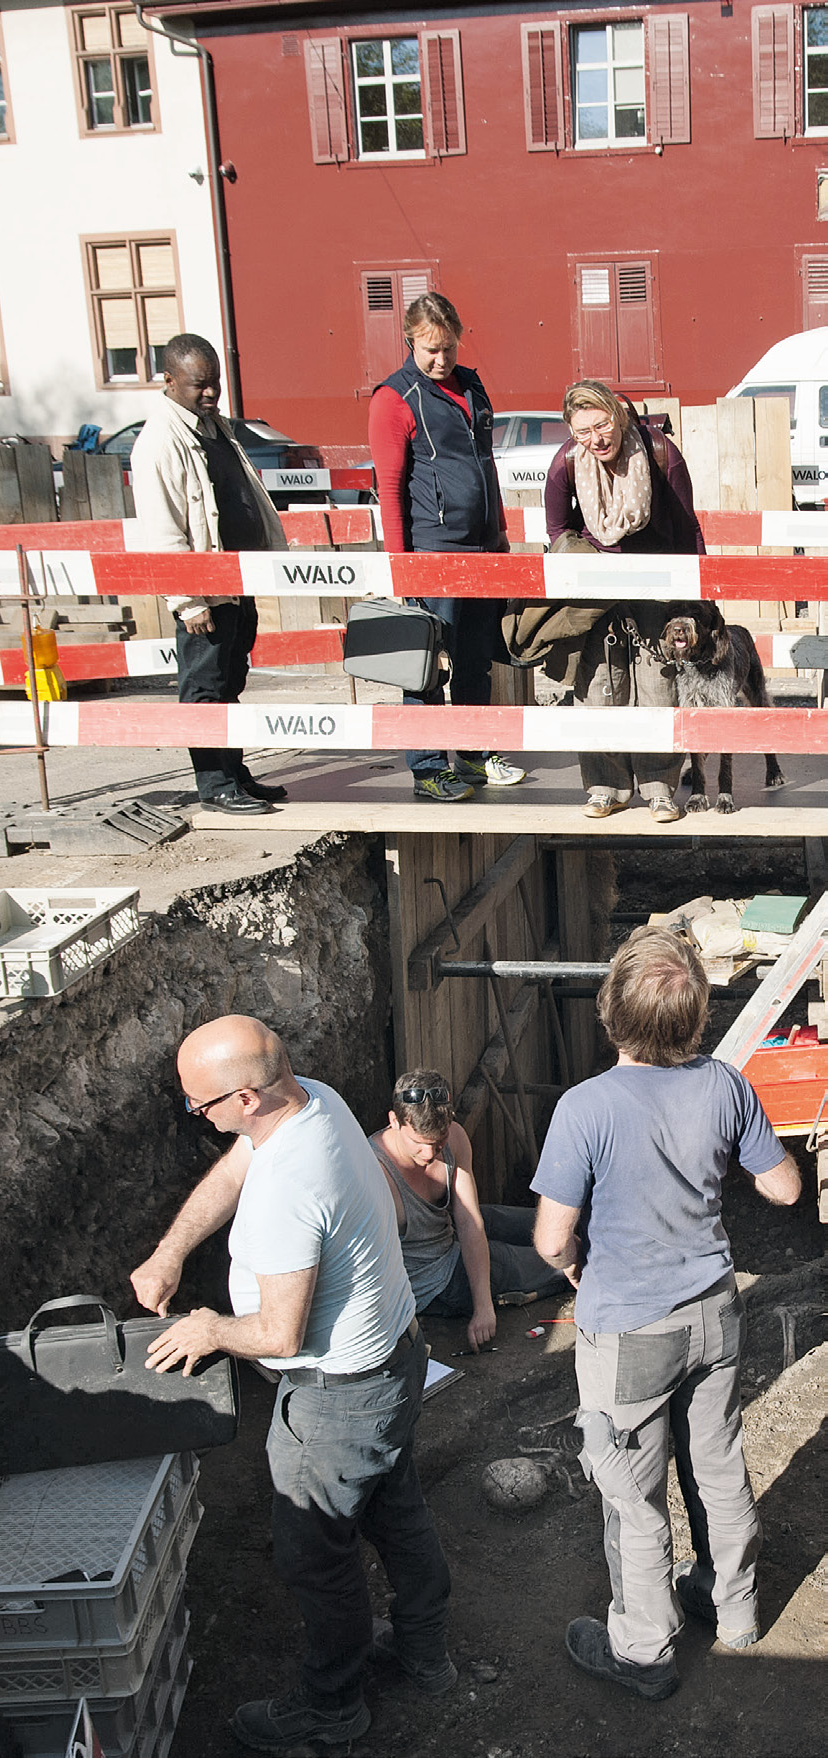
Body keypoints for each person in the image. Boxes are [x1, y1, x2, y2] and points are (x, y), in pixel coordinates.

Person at [131, 1016, 453, 1752]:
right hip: (392, 1358)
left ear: (245, 1097)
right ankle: (422, 1650)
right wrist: (172, 1248)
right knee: (395, 1509)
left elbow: (279, 1335)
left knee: (314, 1550)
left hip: (338, 1395)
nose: (198, 1118)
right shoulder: (314, 1100)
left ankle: (331, 1706)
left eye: (198, 1106)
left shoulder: (291, 1190)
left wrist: (210, 1327)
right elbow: (242, 1162)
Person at [531, 926, 800, 1700]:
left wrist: (573, 1264)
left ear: (609, 1011)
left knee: (630, 1491)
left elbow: (550, 1239)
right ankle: (734, 1608)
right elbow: (781, 1190)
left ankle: (643, 1652)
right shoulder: (723, 1084)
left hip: (630, 1330)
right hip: (714, 1313)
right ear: (697, 1018)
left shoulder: (584, 1108)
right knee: (714, 1464)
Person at [368, 291, 526, 802]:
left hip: (483, 549)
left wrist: (500, 536)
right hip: (432, 552)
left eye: (449, 348)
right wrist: (401, 569)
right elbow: (389, 487)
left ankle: (476, 756)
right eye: (430, 349)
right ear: (410, 340)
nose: (441, 359)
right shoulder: (394, 398)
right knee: (427, 662)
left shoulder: (474, 387)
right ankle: (429, 766)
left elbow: (487, 469)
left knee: (477, 660)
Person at [130, 334, 287, 817]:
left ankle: (234, 772)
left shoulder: (213, 427)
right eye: (200, 385)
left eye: (215, 382)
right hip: (205, 593)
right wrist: (188, 599)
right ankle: (215, 784)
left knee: (231, 681)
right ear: (170, 381)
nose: (211, 393)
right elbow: (162, 531)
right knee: (204, 689)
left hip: (236, 584)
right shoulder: (161, 440)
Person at [544, 381, 706, 823]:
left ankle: (659, 788)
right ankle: (605, 786)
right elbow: (558, 531)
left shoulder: (659, 454)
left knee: (658, 684)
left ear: (617, 415)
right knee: (597, 686)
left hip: (656, 584)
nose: (596, 440)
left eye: (601, 426)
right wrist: (581, 577)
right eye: (583, 432)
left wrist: (697, 597)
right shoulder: (566, 463)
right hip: (598, 589)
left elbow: (688, 526)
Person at [369, 1071, 568, 1351]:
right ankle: (601, 1257)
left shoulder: (456, 1138)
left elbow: (470, 1222)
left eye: (438, 1142)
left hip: (448, 1230)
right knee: (553, 1256)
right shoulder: (374, 1175)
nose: (430, 1155)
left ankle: (589, 1225)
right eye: (420, 1144)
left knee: (541, 1225)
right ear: (394, 1121)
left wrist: (484, 1306)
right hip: (436, 1281)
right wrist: (483, 1305)